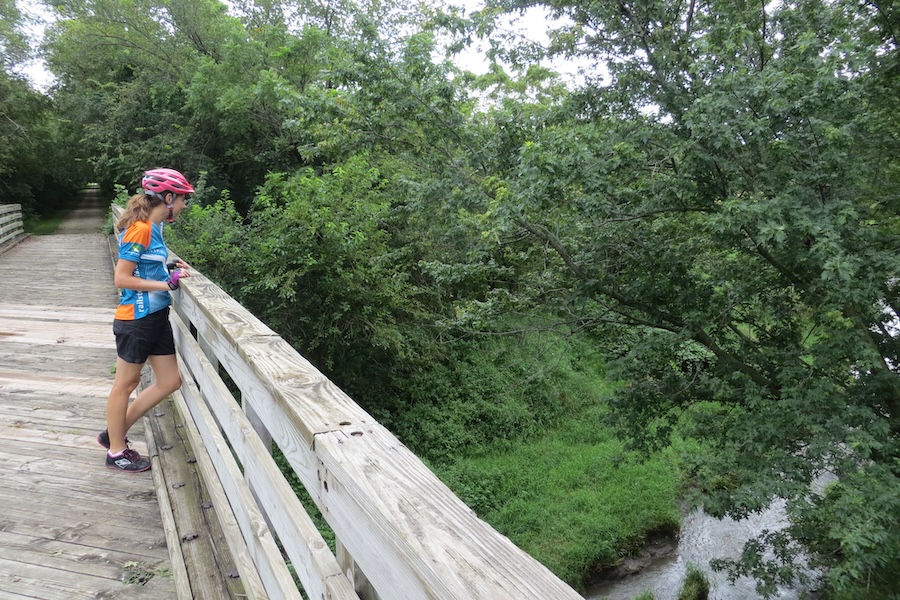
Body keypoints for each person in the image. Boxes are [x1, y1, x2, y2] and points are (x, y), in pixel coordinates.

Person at [100, 168, 193, 472]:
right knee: (125, 384)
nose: (183, 206)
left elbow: (146, 264)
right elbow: (122, 277)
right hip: (136, 319)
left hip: (155, 317)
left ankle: (113, 432)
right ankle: (116, 451)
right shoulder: (140, 228)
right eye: (182, 200)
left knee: (170, 381)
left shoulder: (155, 229)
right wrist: (166, 284)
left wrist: (168, 263)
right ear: (168, 198)